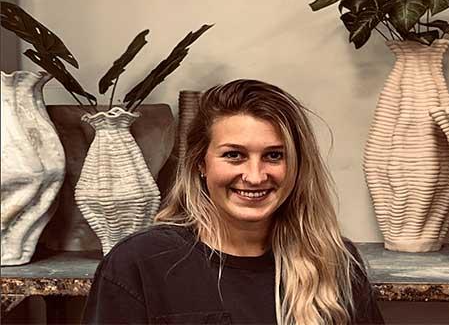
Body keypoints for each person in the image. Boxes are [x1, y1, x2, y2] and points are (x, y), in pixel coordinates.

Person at [81, 79, 384, 324]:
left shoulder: (335, 261)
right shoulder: (139, 263)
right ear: (201, 163)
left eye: (274, 156)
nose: (254, 176)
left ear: (297, 165)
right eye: (234, 155)